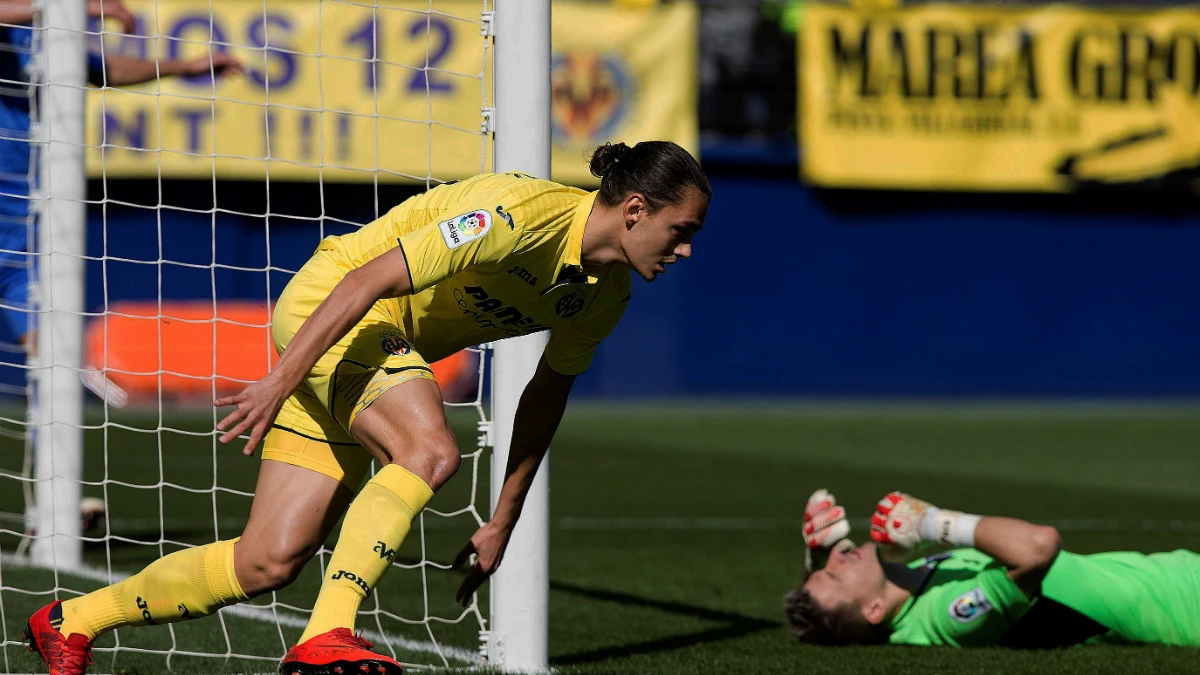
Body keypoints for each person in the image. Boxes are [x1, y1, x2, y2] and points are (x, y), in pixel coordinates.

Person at [24, 140, 711, 675]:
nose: (684, 250)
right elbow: (369, 275)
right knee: (430, 450)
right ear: (634, 209)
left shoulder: (604, 294)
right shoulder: (518, 215)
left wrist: (504, 518)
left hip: (372, 355)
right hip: (332, 309)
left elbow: (545, 394)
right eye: (681, 230)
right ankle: (326, 633)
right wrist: (279, 376)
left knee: (267, 562)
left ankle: (72, 618)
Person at [0, 0, 242, 351]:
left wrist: (185, 67)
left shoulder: (38, 32)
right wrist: (75, 8)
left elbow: (100, 68)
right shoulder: (34, 14)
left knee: (45, 330)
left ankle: (51, 396)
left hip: (26, 201)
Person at [786, 490, 1200, 648]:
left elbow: (827, 611)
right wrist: (933, 522)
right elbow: (1038, 548)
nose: (839, 558)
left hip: (1180, 573)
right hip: (1186, 608)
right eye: (835, 571)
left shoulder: (908, 581)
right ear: (875, 611)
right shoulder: (948, 616)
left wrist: (818, 559)